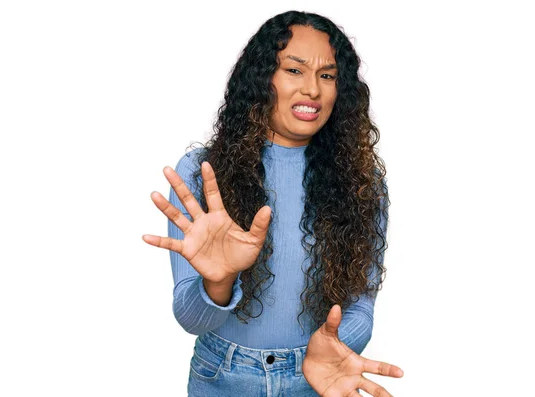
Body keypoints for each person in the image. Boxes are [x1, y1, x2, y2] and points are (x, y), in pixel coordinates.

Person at [142, 10, 404, 396]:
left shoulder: (363, 183)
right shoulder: (203, 173)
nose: (312, 90)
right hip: (222, 378)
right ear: (263, 78)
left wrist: (335, 344)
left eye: (327, 75)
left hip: (317, 377)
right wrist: (219, 281)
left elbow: (361, 307)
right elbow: (191, 319)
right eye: (294, 70)